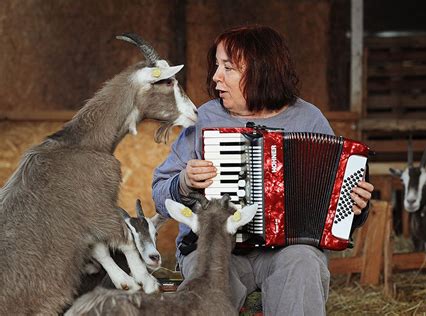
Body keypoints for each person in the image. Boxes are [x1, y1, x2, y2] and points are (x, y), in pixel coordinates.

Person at [152, 25, 374, 315]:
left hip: (285, 252)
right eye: (217, 65)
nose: (216, 76)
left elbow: (336, 213)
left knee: (304, 262)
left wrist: (357, 207)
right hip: (216, 248)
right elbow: (159, 195)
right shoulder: (204, 118)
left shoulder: (309, 119)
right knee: (211, 274)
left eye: (228, 68)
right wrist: (183, 182)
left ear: (260, 71)